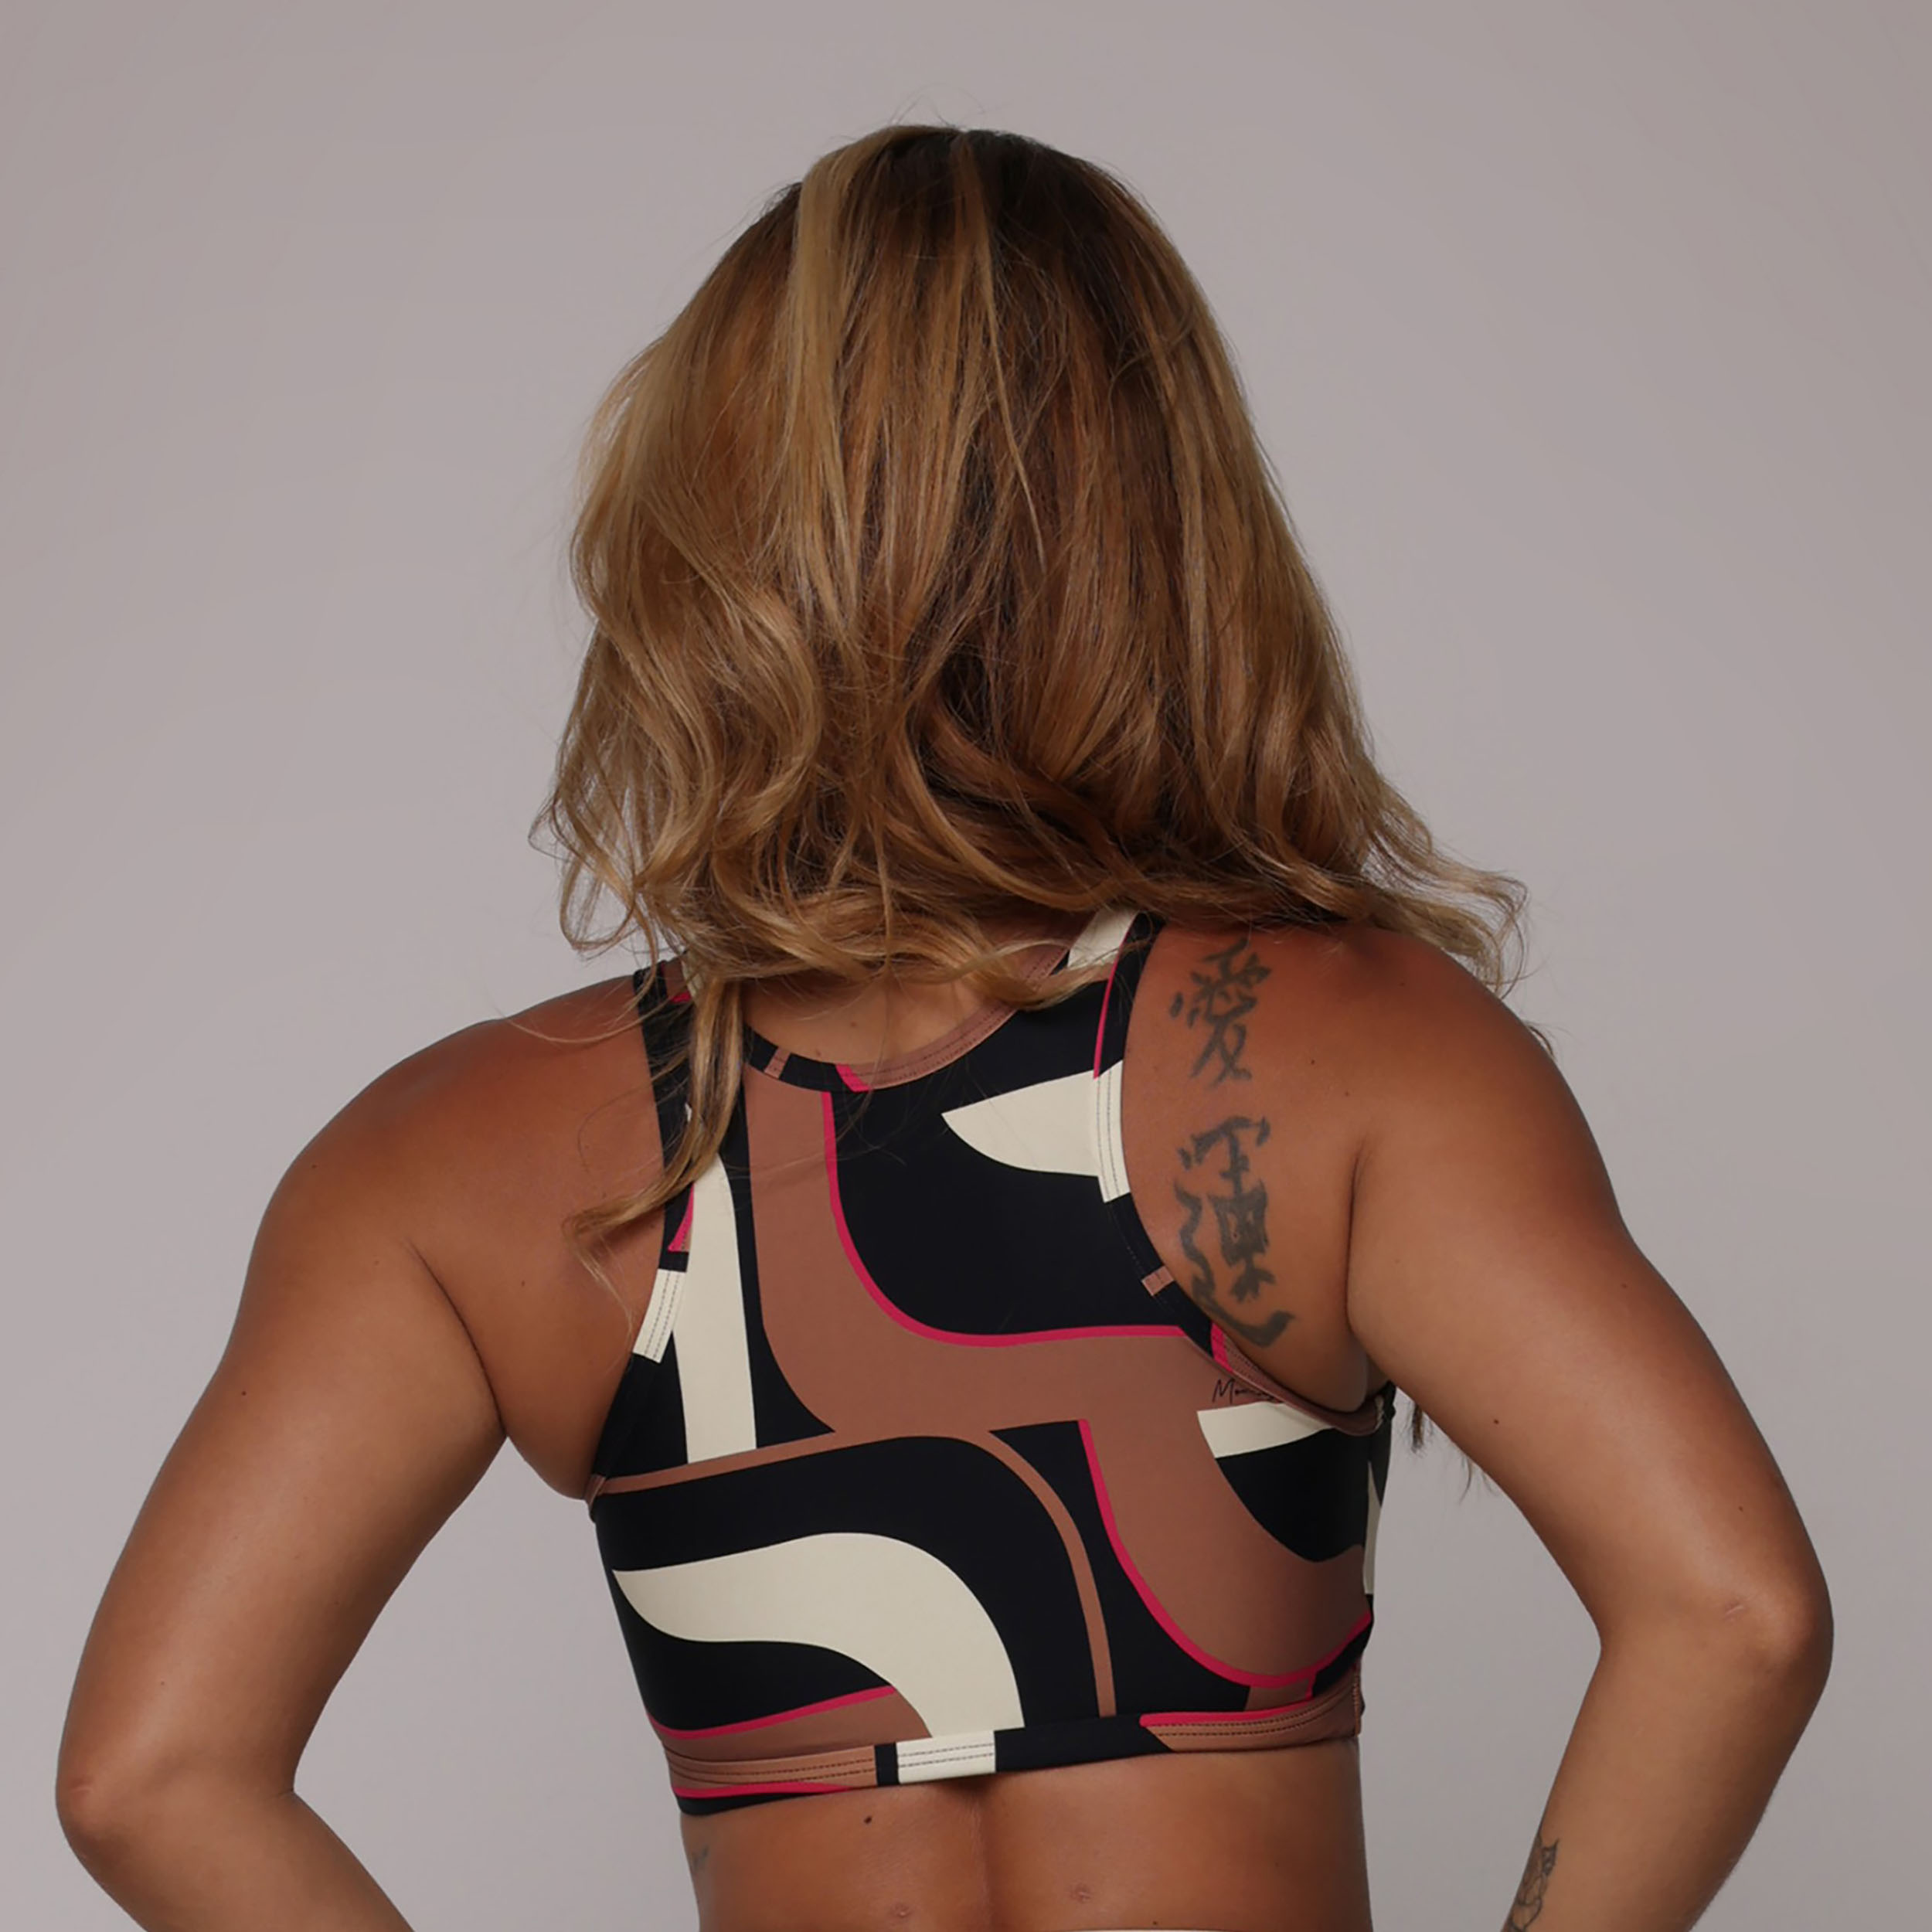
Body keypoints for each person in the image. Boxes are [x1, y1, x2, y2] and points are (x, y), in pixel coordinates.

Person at [55, 123, 1830, 1932]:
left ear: (707, 526)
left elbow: (152, 1771)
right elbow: (1729, 1611)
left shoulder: (463, 1153)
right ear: (1164, 526)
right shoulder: (1344, 1053)